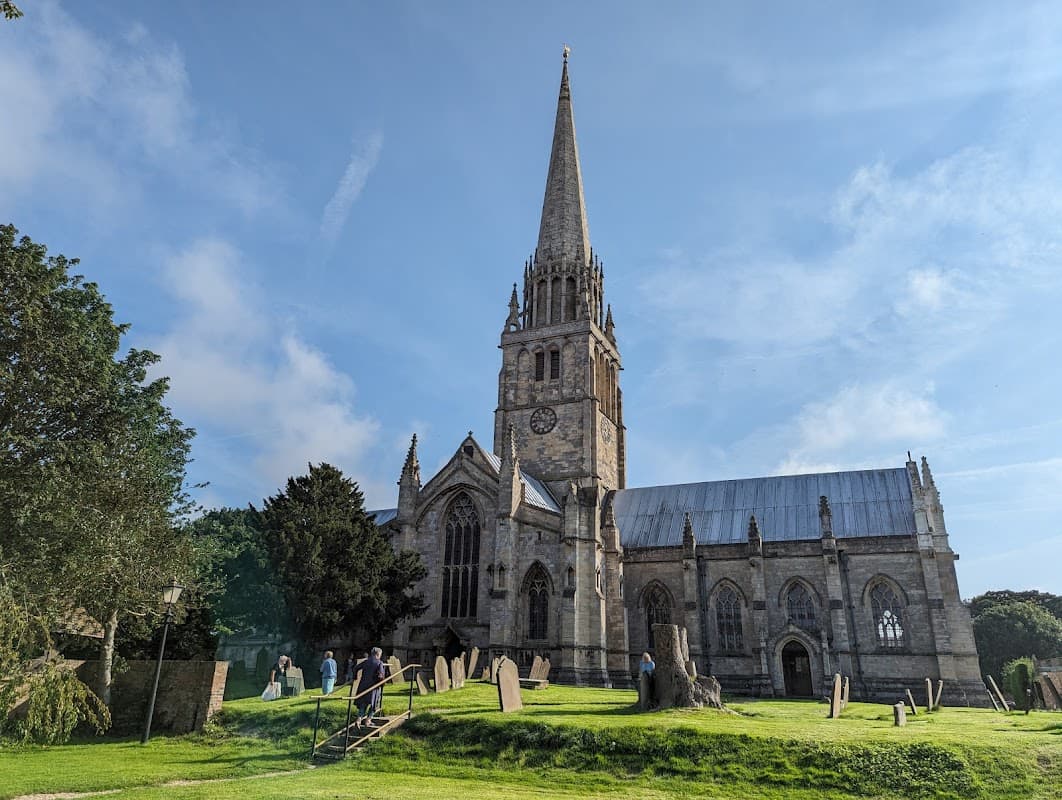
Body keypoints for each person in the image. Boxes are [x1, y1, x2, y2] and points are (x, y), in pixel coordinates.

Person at [353, 646, 387, 728]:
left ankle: (358, 720)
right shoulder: (379, 663)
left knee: (363, 704)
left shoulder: (366, 661)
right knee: (373, 704)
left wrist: (355, 677)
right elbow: (380, 675)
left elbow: (356, 668)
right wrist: (382, 683)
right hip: (373, 687)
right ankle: (368, 720)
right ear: (378, 654)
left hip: (363, 686)